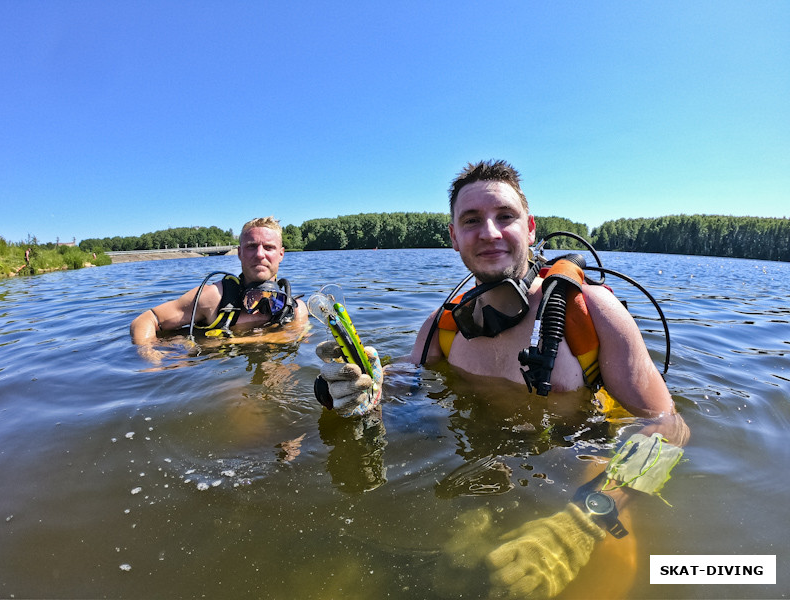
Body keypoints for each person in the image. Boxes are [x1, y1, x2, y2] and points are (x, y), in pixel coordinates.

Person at [316, 160, 689, 598]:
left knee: (606, 583)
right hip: (474, 473)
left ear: (529, 228)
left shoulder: (593, 312)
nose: (489, 232)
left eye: (504, 217)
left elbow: (671, 429)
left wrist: (580, 524)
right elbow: (394, 387)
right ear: (454, 238)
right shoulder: (442, 326)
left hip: (577, 479)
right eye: (471, 221)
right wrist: (348, 388)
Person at [130, 216, 308, 347]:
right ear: (239, 253)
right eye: (251, 246)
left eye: (269, 247)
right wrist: (150, 355)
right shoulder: (212, 298)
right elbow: (146, 320)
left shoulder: (295, 310)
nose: (260, 254)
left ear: (281, 254)